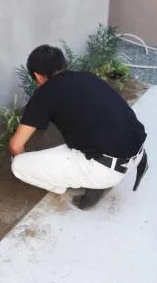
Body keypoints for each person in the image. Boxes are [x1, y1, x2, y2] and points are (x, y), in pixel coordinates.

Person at [9, 44, 148, 210]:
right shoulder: (88, 77)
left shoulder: (44, 94)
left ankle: (78, 184)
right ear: (62, 65)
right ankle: (97, 177)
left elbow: (15, 146)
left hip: (107, 169)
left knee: (18, 164)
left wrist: (27, 160)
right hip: (137, 151)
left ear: (38, 76)